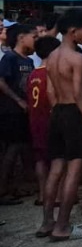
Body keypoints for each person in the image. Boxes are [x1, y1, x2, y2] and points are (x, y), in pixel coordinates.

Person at [38, 8, 82, 241]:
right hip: (74, 112)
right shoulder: (78, 58)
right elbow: (79, 94)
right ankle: (62, 225)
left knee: (56, 168)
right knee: (74, 168)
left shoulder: (51, 58)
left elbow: (51, 90)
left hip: (58, 112)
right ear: (73, 32)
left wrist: (57, 113)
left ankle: (47, 222)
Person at [0, 24, 37, 204]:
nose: (35, 41)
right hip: (11, 111)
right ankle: (3, 189)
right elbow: (1, 82)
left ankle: (21, 185)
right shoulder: (10, 58)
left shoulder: (28, 61)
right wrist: (18, 100)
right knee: (12, 149)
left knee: (24, 147)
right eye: (33, 37)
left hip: (25, 111)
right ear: (21, 37)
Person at [27, 36, 60, 206]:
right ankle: (57, 196)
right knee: (57, 159)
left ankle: (42, 193)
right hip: (50, 119)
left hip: (35, 120)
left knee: (40, 158)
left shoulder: (33, 73)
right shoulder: (51, 73)